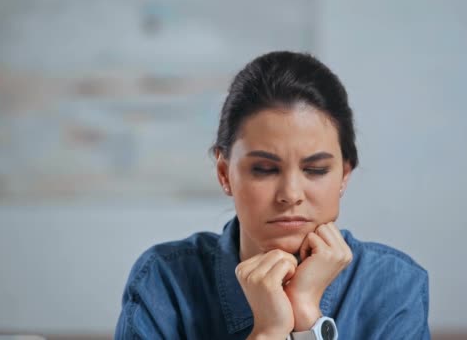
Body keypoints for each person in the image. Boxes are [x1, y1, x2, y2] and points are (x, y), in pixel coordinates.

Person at [115, 51, 430, 339]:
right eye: (264, 169)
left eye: (316, 169)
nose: (290, 195)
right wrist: (268, 331)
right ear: (225, 174)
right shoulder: (164, 281)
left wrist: (306, 316)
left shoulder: (394, 284)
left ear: (344, 175)